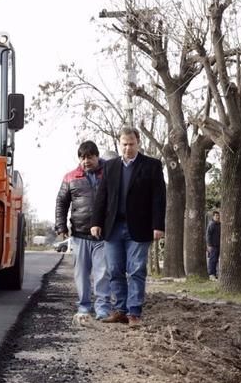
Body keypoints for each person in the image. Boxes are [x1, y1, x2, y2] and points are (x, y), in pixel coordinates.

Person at [90, 126, 166, 327]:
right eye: (124, 144)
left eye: (131, 144)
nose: (127, 148)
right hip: (113, 227)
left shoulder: (152, 165)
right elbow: (102, 196)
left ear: (138, 142)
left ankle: (134, 313)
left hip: (140, 228)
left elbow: (159, 198)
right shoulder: (111, 166)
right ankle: (120, 310)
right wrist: (96, 222)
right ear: (119, 143)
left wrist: (158, 225)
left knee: (136, 270)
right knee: (114, 270)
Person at [55, 140, 111, 321]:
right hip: (80, 235)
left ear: (97, 156)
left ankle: (102, 309)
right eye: (82, 157)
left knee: (103, 273)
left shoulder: (109, 173)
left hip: (103, 235)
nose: (86, 161)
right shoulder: (70, 177)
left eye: (90, 157)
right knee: (81, 274)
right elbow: (61, 202)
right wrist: (61, 226)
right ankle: (84, 306)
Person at [206, 211, 221, 280]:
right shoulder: (211, 224)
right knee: (213, 259)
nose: (217, 217)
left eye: (218, 215)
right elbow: (208, 235)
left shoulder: (219, 224)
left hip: (219, 245)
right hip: (213, 245)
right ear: (213, 216)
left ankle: (215, 274)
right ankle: (211, 274)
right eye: (216, 216)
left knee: (216, 260)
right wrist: (209, 245)